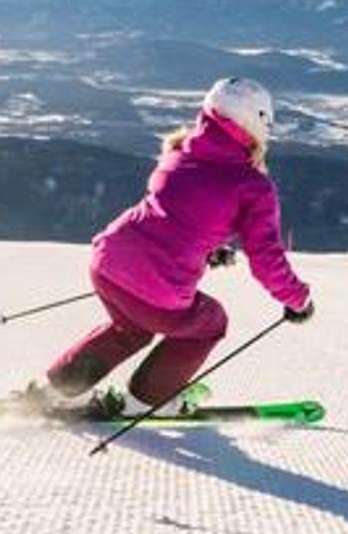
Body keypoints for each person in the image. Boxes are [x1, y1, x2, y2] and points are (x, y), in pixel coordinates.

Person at [39, 76, 313, 418]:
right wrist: (298, 300)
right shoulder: (252, 185)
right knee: (209, 323)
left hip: (107, 262)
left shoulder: (179, 153)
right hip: (157, 286)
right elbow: (266, 259)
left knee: (131, 329)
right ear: (256, 123)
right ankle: (145, 403)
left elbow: (180, 215)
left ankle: (56, 391)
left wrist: (208, 248)